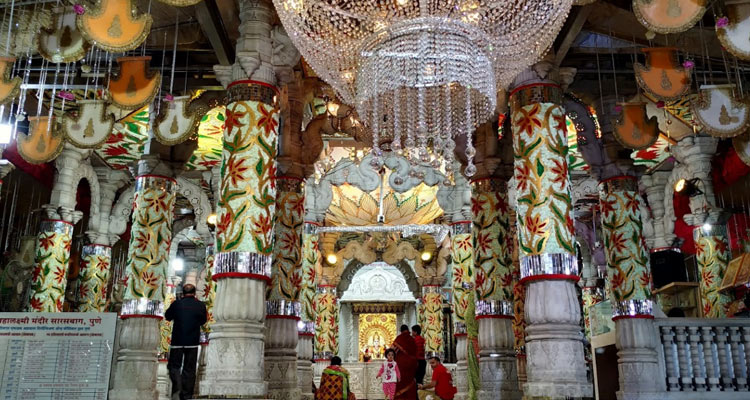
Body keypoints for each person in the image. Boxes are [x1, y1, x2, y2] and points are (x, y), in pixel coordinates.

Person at [165, 284, 207, 400]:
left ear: (183, 293)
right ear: (194, 293)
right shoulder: (200, 305)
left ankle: (177, 388)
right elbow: (203, 321)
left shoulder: (176, 304)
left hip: (177, 341)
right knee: (189, 368)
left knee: (174, 366)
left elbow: (167, 316)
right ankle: (187, 395)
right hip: (192, 341)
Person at [391, 324, 418, 399]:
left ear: (401, 331)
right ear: (408, 330)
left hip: (401, 364)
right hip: (412, 363)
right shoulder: (412, 339)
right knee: (410, 381)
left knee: (401, 382)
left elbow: (391, 350)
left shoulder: (399, 338)